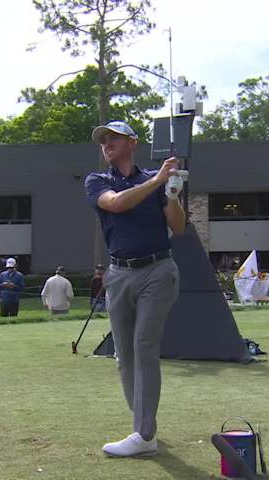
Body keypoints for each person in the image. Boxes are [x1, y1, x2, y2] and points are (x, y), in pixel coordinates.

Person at [84, 120, 186, 457]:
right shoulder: (98, 180)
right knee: (124, 356)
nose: (107, 144)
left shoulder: (155, 180)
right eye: (104, 140)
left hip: (158, 270)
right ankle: (143, 422)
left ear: (132, 142)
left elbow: (178, 225)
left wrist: (171, 194)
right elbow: (115, 204)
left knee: (144, 347)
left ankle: (144, 435)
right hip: (118, 274)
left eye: (114, 138)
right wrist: (158, 180)